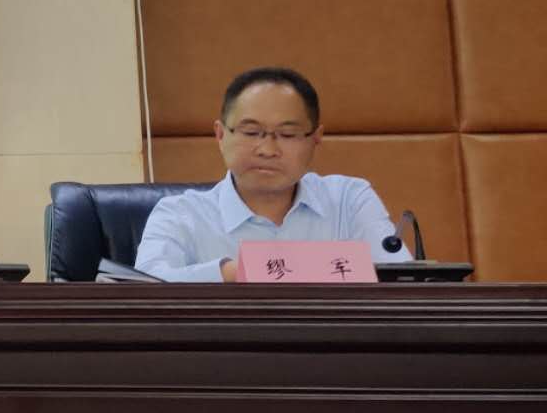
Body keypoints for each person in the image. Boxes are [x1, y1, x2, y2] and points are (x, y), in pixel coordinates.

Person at [135, 66, 399, 282]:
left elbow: (398, 280)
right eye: (251, 132)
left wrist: (261, 271)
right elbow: (144, 287)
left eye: (288, 134)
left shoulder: (348, 200)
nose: (268, 150)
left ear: (315, 138)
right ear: (220, 135)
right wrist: (230, 273)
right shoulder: (180, 214)